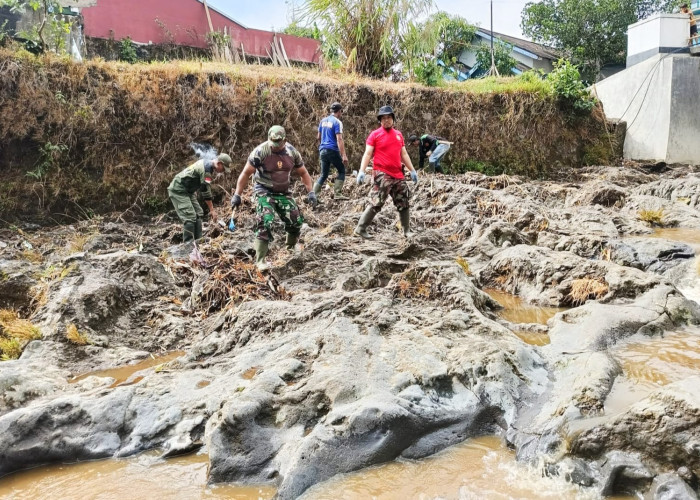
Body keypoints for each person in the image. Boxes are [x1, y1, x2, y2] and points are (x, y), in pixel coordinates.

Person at [231, 125, 318, 271]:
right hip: (264, 190)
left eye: (278, 143)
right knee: (266, 221)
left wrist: (311, 192)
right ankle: (260, 261)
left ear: (284, 140)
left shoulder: (292, 153)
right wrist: (237, 195)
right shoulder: (260, 152)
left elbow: (303, 173)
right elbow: (246, 173)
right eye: (273, 143)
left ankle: (290, 248)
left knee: (296, 220)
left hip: (283, 192)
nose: (275, 146)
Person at [354, 105, 418, 239]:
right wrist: (361, 171)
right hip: (381, 173)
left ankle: (406, 231)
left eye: (389, 118)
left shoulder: (399, 135)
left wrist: (412, 170)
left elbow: (404, 154)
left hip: (398, 174)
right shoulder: (375, 135)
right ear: (380, 121)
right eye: (383, 118)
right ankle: (360, 229)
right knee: (377, 201)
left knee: (403, 200)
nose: (386, 120)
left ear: (393, 119)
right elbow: (367, 154)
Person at [168, 153, 232, 242]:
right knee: (190, 217)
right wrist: (212, 210)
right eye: (224, 168)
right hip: (178, 190)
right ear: (219, 163)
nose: (223, 171)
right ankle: (188, 245)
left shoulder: (207, 163)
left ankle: (198, 241)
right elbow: (205, 190)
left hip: (188, 191)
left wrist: (193, 189)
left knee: (199, 213)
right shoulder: (207, 170)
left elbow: (194, 177)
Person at [313, 102, 349, 201]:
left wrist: (323, 146)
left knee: (323, 174)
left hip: (322, 150)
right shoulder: (337, 122)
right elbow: (339, 139)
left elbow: (318, 137)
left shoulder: (322, 121)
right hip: (332, 149)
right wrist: (344, 155)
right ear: (339, 111)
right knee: (341, 170)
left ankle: (314, 195)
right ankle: (337, 193)